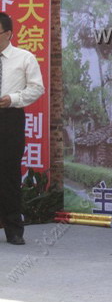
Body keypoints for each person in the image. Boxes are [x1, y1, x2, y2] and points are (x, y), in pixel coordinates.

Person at [0, 13, 44, 245]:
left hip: (9, 117)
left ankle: (14, 229)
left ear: (8, 34)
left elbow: (37, 88)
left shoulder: (24, 57)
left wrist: (14, 99)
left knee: (8, 174)